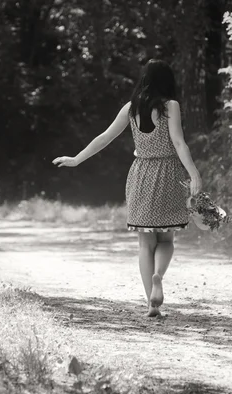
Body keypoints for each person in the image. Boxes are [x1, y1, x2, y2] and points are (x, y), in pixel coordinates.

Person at [52, 59, 202, 317]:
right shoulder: (170, 106)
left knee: (145, 244)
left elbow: (104, 138)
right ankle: (158, 275)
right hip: (168, 174)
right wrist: (195, 175)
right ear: (168, 81)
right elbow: (178, 143)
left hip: (140, 175)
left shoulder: (131, 108)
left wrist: (76, 159)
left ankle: (150, 304)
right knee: (166, 238)